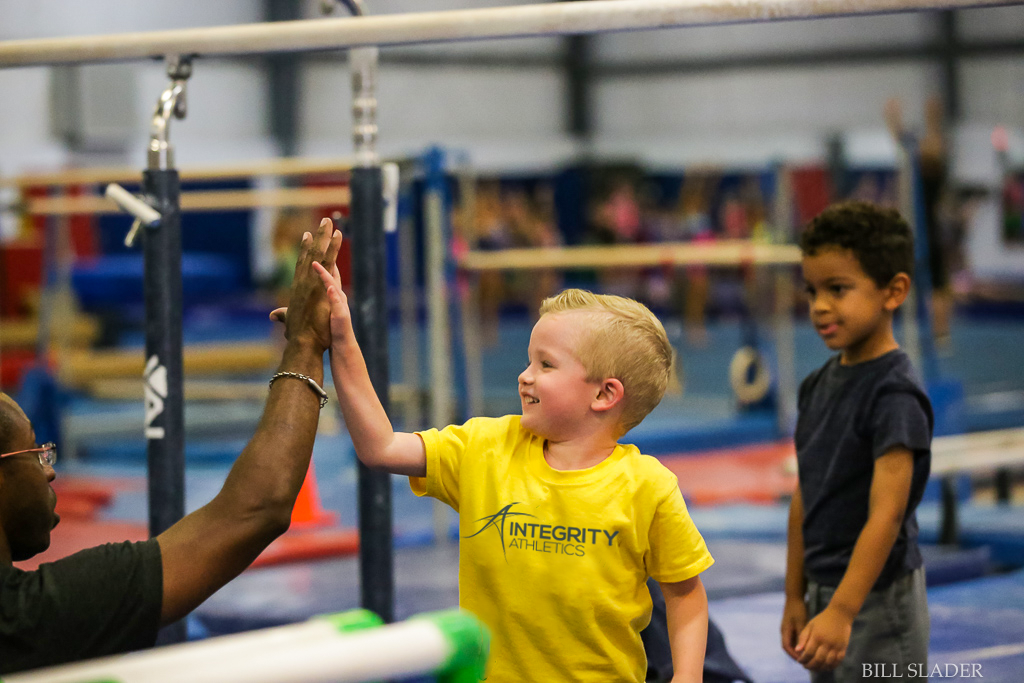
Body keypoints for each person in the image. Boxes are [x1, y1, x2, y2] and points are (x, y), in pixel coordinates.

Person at [309, 253, 713, 682]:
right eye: (529, 361)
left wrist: (686, 677)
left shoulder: (647, 487)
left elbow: (686, 594)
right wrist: (343, 340)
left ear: (604, 394)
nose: (525, 376)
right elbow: (382, 446)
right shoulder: (485, 447)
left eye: (546, 364)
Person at [0, 218, 343, 675]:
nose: (49, 470)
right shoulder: (26, 618)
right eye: (37, 455)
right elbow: (256, 508)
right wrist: (304, 343)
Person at [780, 201, 933, 681]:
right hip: (823, 591)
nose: (819, 305)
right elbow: (806, 494)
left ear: (894, 292)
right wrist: (793, 594)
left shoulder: (893, 394)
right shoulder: (816, 385)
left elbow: (887, 514)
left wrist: (844, 610)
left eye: (838, 289)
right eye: (812, 290)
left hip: (875, 598)